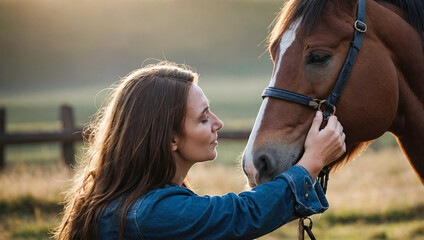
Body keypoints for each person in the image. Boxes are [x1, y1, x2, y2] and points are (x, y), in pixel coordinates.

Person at [54, 61, 346, 240]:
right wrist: (311, 163)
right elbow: (238, 216)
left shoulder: (133, 204)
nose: (218, 123)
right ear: (170, 139)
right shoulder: (146, 215)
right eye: (203, 117)